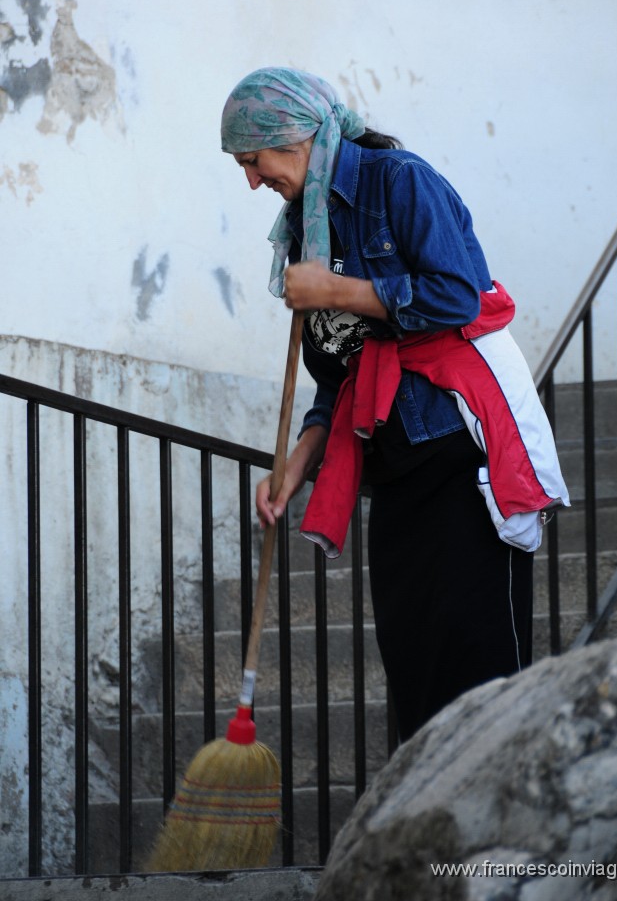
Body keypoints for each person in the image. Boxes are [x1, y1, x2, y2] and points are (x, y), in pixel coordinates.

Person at [220, 67, 569, 742]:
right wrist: (297, 464)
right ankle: (428, 838)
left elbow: (458, 295)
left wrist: (336, 290)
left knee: (479, 666)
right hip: (391, 465)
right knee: (414, 669)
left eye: (252, 162)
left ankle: (496, 840)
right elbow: (341, 371)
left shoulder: (399, 181)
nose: (252, 182)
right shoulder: (305, 227)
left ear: (293, 139)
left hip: (458, 456)